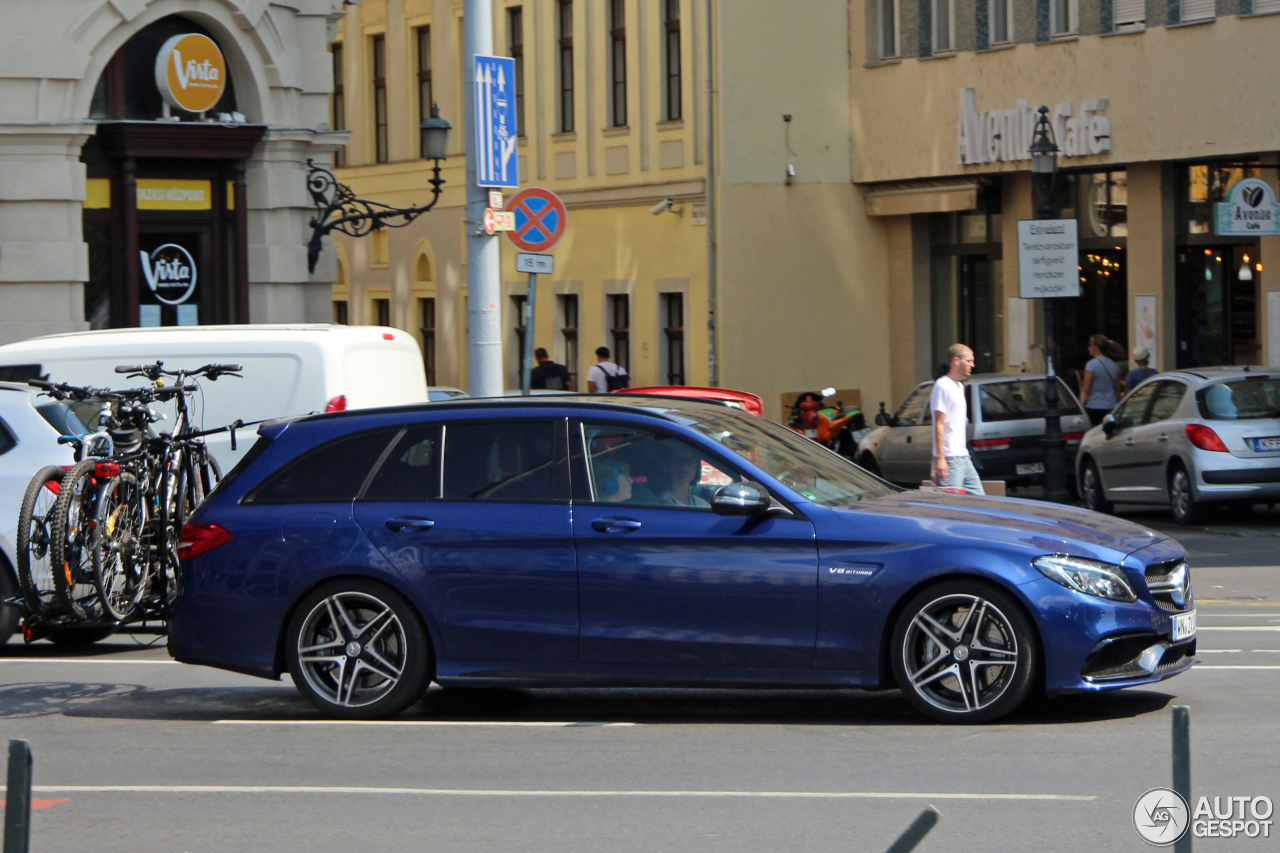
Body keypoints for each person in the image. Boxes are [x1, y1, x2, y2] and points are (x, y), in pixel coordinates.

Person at [930, 343, 984, 494]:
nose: (972, 365)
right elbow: (939, 424)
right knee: (951, 508)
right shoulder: (942, 386)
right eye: (969, 361)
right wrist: (940, 459)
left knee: (981, 501)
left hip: (963, 457)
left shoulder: (959, 387)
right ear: (956, 361)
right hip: (950, 459)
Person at [629, 448, 708, 507]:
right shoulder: (661, 504)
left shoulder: (700, 503)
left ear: (696, 467)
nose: (683, 467)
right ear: (665, 466)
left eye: (689, 461)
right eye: (677, 461)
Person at [1080, 334, 1124, 426]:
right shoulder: (1114, 365)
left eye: (1090, 344)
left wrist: (1080, 405)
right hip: (1111, 407)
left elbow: (1085, 389)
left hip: (1095, 407)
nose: (1089, 347)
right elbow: (1117, 390)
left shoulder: (1091, 365)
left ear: (1096, 346)